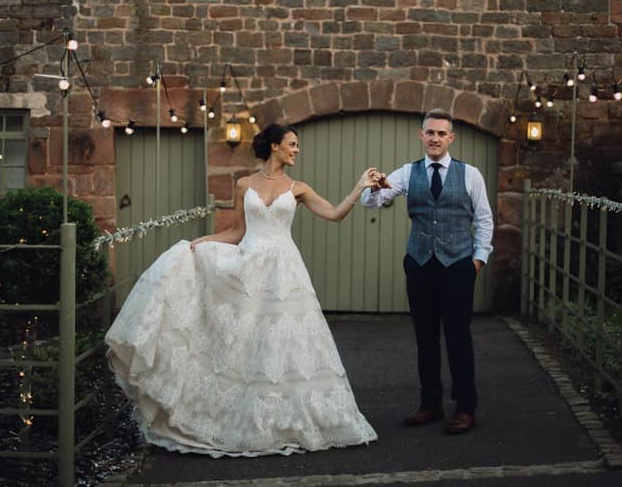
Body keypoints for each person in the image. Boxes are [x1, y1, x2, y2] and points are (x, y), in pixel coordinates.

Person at [104, 123, 379, 457]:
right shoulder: (244, 184)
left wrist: (358, 187)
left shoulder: (298, 188)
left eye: (297, 145)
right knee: (247, 341)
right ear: (275, 146)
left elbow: (335, 214)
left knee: (285, 344)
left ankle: (289, 419)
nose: (297, 149)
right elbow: (236, 231)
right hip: (248, 266)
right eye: (292, 144)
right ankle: (239, 414)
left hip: (284, 271)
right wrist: (203, 242)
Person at [362, 108, 494, 435]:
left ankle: (465, 407)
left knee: (458, 337)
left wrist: (477, 260)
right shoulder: (409, 172)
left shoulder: (470, 174)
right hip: (420, 264)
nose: (435, 138)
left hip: (459, 266)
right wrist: (376, 186)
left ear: (451, 138)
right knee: (425, 337)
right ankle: (430, 404)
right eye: (430, 132)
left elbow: (485, 220)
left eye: (441, 133)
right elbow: (371, 202)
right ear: (421, 136)